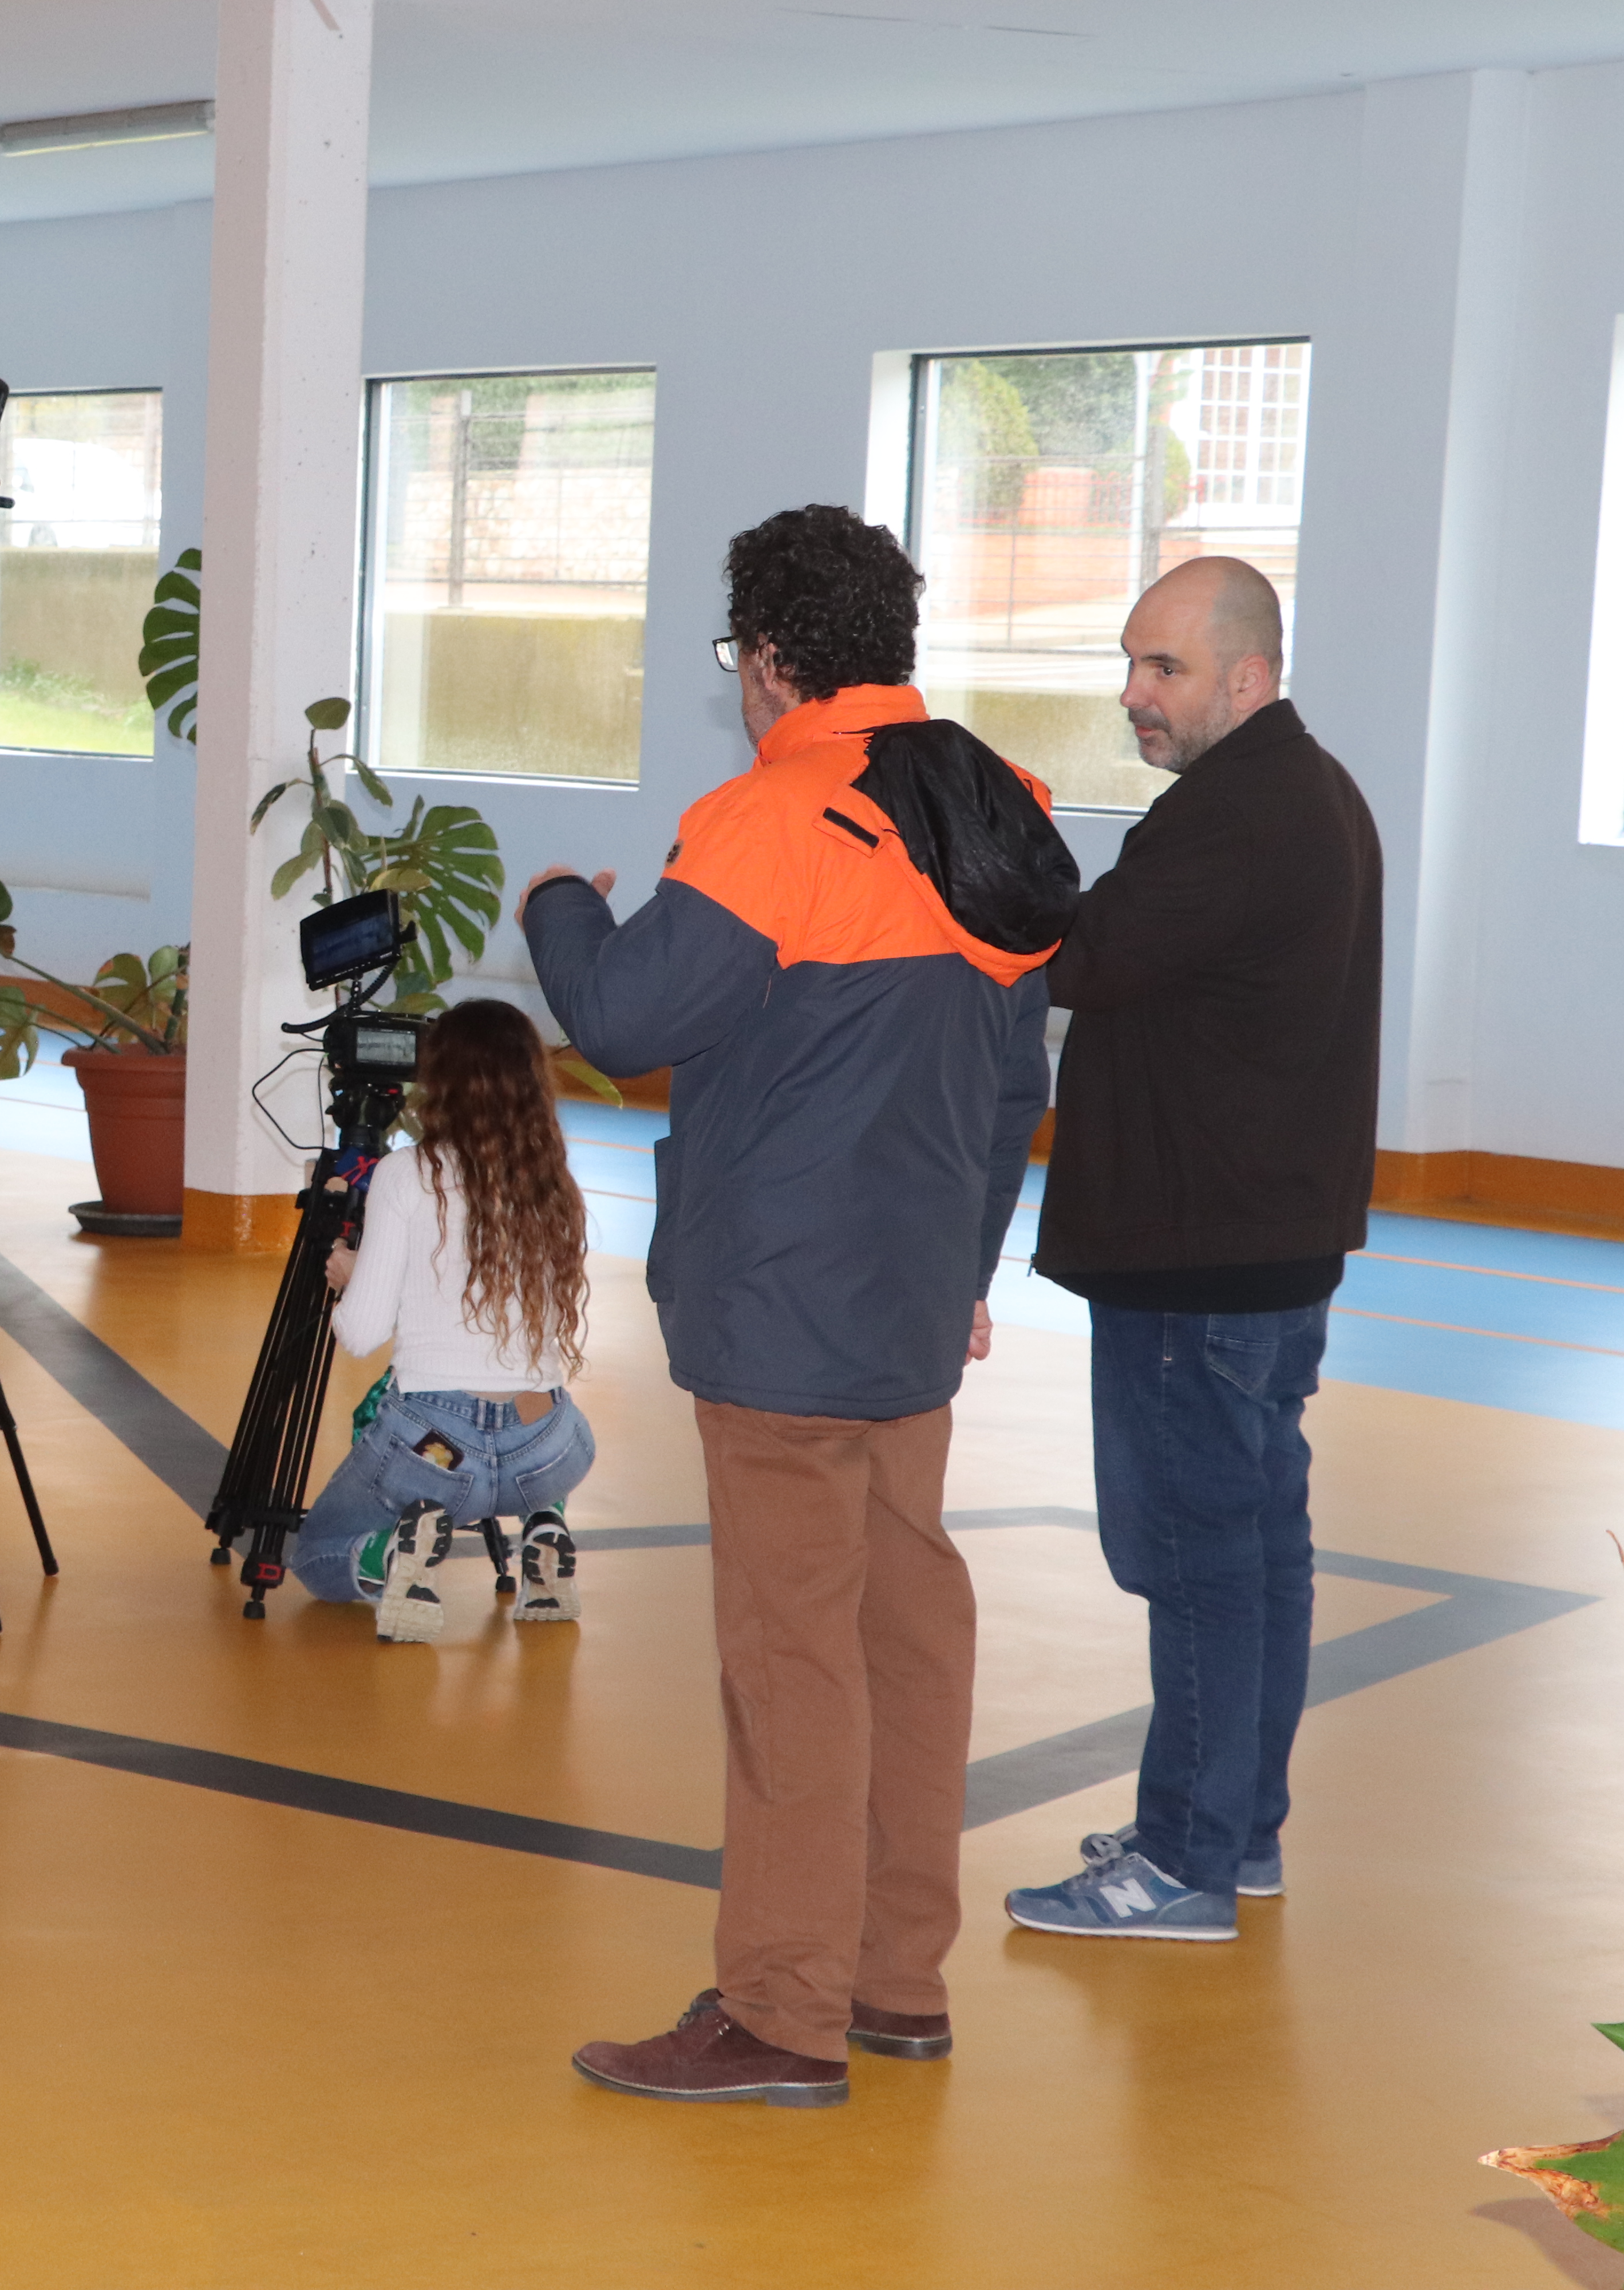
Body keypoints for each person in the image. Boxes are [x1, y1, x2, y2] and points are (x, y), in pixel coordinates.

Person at [521, 504, 1069, 2107]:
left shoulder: (775, 818)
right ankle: (900, 1983)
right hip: (909, 1302)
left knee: (790, 1661)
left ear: (766, 660)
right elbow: (1012, 1084)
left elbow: (625, 1018)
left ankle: (777, 2011)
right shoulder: (1003, 805)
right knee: (908, 1633)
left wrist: (560, 901)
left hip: (780, 1312)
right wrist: (970, 1269)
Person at [1003, 558, 1381, 1944]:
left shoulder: (1235, 821)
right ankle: (1239, 1828)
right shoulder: (1306, 793)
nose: (1133, 694)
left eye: (1162, 669)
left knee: (1199, 1554)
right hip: (1263, 1245)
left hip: (1196, 1258)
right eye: (1128, 663)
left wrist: (986, 846)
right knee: (1259, 1546)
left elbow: (1076, 955)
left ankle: (1181, 1859)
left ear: (1247, 675)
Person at [290, 998, 598, 1645]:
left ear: (439, 1080)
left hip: (435, 1452)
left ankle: (397, 1554)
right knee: (554, 1424)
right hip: (546, 1447)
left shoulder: (408, 1173)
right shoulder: (552, 1179)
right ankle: (545, 1524)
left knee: (315, 1556)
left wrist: (351, 1275)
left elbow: (361, 1334)